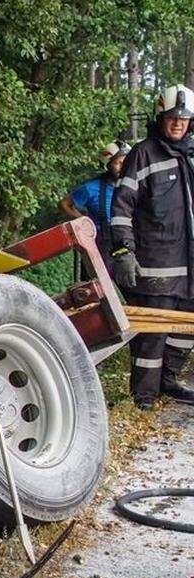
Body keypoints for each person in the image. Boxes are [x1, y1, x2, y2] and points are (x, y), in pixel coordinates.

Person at [110, 84, 194, 409]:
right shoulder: (142, 153)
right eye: (172, 118)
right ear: (160, 118)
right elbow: (122, 207)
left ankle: (168, 382)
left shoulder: (190, 154)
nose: (178, 124)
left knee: (186, 328)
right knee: (153, 334)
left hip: (190, 267)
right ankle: (144, 399)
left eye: (184, 119)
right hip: (156, 265)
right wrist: (123, 250)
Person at [60, 140, 131, 268]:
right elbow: (65, 204)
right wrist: (83, 221)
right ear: (108, 165)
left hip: (131, 242)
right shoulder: (91, 188)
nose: (123, 166)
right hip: (104, 248)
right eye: (118, 163)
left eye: (126, 162)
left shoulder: (136, 186)